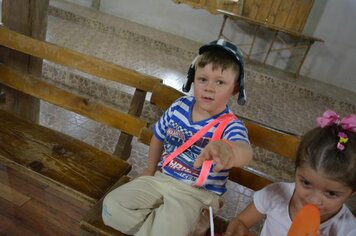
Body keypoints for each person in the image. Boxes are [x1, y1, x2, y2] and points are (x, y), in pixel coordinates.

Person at [101, 39, 253, 236]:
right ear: (192, 78)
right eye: (203, 79)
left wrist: (231, 151)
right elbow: (158, 136)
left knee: (165, 229)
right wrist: (150, 168)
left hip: (196, 194)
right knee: (110, 208)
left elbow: (245, 150)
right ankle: (183, 227)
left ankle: (177, 225)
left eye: (220, 82)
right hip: (162, 179)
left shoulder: (230, 126)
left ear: (234, 89)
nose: (209, 88)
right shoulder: (179, 106)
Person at [225, 110, 356, 236]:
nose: (314, 200)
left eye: (331, 193)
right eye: (306, 183)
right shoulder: (275, 194)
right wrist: (236, 230)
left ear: (352, 192)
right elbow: (241, 222)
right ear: (297, 169)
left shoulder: (348, 229)